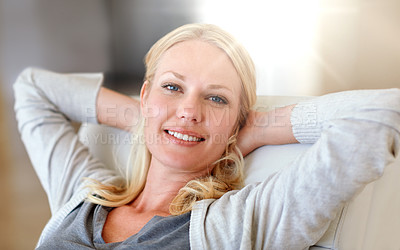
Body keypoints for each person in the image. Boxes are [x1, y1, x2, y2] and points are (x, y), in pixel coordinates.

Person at [14, 23, 400, 249]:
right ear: (146, 95)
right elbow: (33, 89)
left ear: (237, 120)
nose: (189, 110)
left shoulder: (241, 221)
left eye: (216, 98)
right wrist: (152, 121)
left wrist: (256, 130)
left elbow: (386, 111)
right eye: (172, 87)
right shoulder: (82, 195)